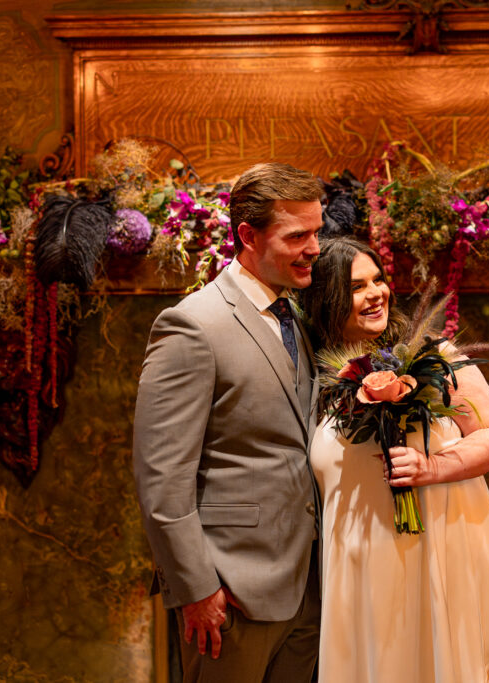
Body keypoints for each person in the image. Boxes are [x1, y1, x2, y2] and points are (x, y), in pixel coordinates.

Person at [299, 236, 489, 683]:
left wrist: (431, 468)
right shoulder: (314, 380)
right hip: (356, 571)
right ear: (328, 299)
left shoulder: (434, 359)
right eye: (357, 286)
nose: (376, 293)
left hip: (432, 557)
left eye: (378, 280)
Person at [133, 162, 323, 683]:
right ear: (247, 236)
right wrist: (195, 587)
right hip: (229, 593)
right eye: (298, 235)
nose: (315, 248)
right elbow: (162, 476)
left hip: (308, 587)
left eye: (317, 231)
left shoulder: (297, 317)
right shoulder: (192, 325)